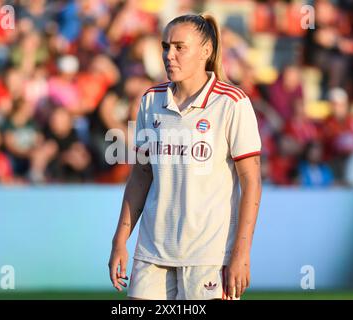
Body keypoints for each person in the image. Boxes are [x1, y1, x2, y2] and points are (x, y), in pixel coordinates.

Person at [108, 13, 262, 300]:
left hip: (209, 257)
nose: (169, 55)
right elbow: (141, 175)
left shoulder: (232, 103)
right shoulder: (151, 100)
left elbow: (251, 181)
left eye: (180, 47)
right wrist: (120, 239)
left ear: (207, 51)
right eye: (166, 46)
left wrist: (241, 253)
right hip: (152, 251)